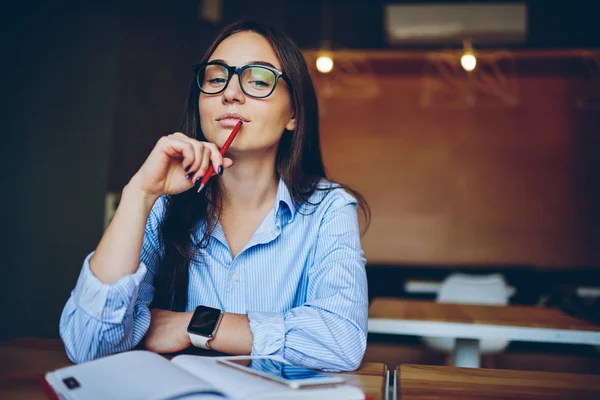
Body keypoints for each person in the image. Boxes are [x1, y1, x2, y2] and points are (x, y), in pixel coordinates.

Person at [59, 20, 370, 372]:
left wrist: (195, 324)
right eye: (216, 78)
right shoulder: (164, 204)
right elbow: (86, 344)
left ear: (294, 114)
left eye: (258, 80)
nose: (231, 93)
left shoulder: (328, 208)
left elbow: (341, 340)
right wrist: (140, 195)